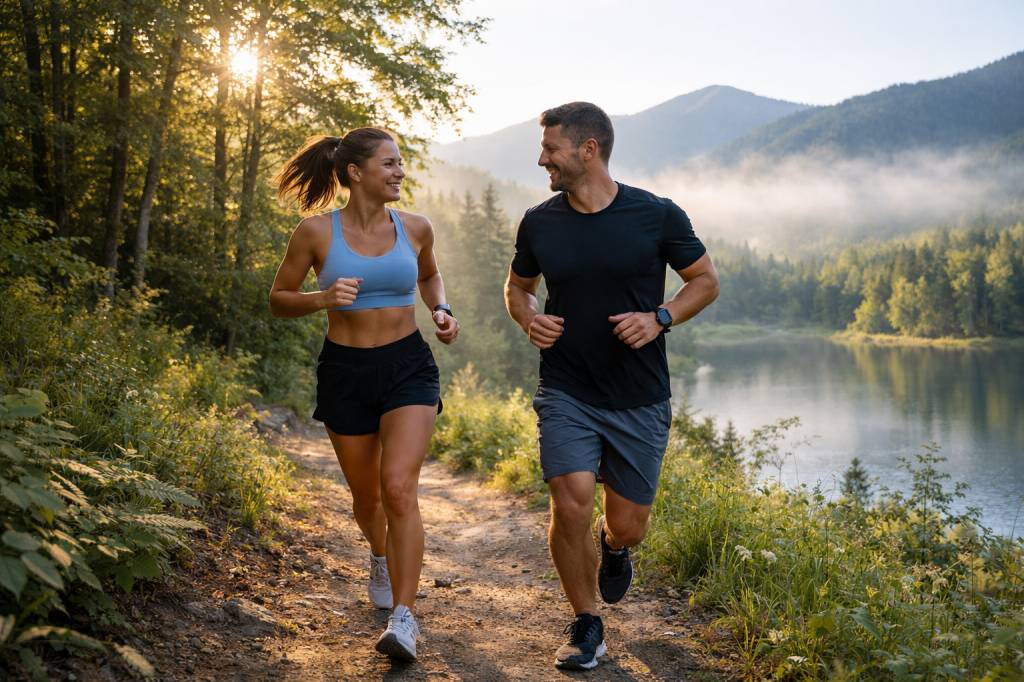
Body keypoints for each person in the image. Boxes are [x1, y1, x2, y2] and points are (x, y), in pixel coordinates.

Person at [504, 102, 719, 671]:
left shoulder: (657, 215)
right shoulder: (540, 221)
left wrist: (661, 318)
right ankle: (586, 623)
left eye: (551, 148)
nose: (542, 158)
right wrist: (528, 317)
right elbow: (517, 286)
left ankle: (616, 547)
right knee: (569, 502)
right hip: (567, 389)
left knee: (628, 523)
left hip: (639, 397)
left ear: (588, 149)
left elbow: (705, 282)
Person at [269, 128, 458, 662]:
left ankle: (404, 617)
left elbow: (431, 276)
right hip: (345, 371)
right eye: (390, 164)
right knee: (367, 498)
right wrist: (322, 297)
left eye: (400, 164)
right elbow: (279, 300)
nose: (400, 172)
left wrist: (441, 309)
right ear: (356, 172)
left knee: (398, 488)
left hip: (408, 367)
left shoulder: (416, 227)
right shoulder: (314, 233)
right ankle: (379, 553)